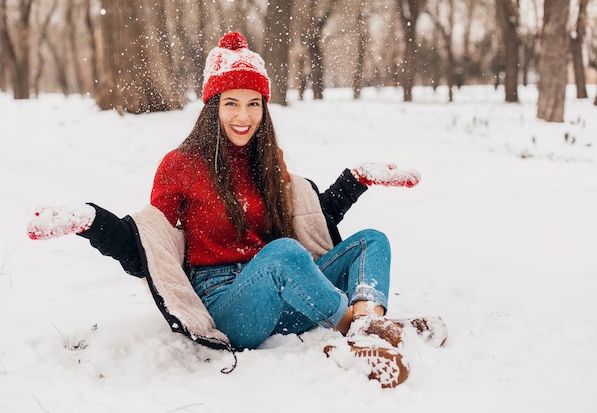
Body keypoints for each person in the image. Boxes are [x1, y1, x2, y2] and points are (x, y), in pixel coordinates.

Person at [27, 32, 432, 389]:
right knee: (285, 253)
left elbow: (309, 222)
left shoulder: (267, 161)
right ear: (212, 107)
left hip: (286, 291)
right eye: (232, 103)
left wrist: (355, 180)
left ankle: (367, 320)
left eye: (254, 104)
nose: (244, 116)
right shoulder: (181, 165)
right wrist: (93, 223)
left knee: (371, 241)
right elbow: (152, 251)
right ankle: (361, 333)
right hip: (230, 307)